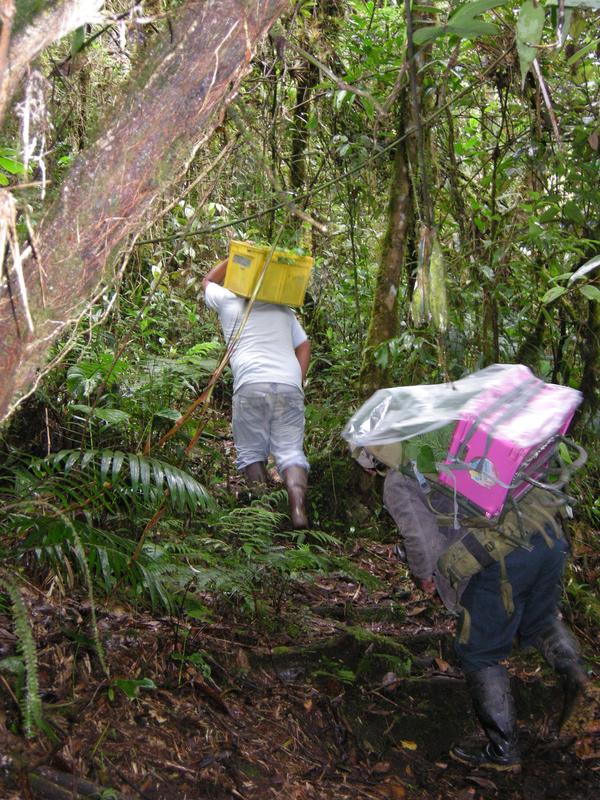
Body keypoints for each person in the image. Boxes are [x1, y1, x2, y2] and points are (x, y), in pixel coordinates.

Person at [372, 455, 589, 772]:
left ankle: (503, 749)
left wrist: (423, 576)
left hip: (499, 558)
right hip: (544, 534)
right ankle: (583, 684)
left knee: (478, 652)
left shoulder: (399, 477)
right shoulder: (460, 440)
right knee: (539, 621)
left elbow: (424, 542)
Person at [202, 256, 311, 528]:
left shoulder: (227, 301)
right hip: (288, 382)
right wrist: (296, 380)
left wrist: (237, 256)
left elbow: (206, 282)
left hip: (250, 383)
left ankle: (264, 517)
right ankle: (298, 510)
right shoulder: (283, 310)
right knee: (290, 451)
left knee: (251, 452)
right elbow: (304, 346)